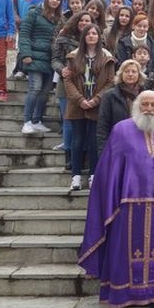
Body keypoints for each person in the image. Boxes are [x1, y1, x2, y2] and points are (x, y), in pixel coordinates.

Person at [78, 90, 154, 308]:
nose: (149, 109)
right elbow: (110, 167)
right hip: (126, 203)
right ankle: (121, 294)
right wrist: (112, 199)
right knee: (123, 250)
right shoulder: (121, 130)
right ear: (136, 106)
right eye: (145, 104)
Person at [64, 23, 116, 191]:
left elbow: (110, 81)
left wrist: (96, 99)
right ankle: (76, 176)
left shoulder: (107, 57)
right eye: (89, 33)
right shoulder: (74, 56)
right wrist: (80, 99)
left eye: (95, 33)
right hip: (77, 104)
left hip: (97, 105)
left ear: (99, 36)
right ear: (84, 36)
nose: (92, 36)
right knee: (77, 140)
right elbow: (68, 80)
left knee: (94, 141)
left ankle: (94, 175)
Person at [52, 11, 94, 168]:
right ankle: (69, 155)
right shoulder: (63, 38)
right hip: (67, 83)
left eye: (88, 20)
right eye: (82, 20)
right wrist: (61, 69)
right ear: (76, 21)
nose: (84, 23)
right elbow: (55, 60)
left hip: (88, 85)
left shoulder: (96, 38)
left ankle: (83, 155)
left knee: (85, 121)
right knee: (69, 121)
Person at [19, 0, 61, 134]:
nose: (54, 1)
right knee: (35, 88)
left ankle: (37, 120)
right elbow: (24, 34)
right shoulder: (34, 13)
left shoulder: (58, 18)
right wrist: (25, 54)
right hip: (34, 57)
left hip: (50, 59)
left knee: (44, 92)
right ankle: (27, 121)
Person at [96, 59, 146, 155]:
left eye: (134, 71)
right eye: (126, 71)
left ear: (139, 75)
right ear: (121, 74)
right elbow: (103, 126)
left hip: (140, 145)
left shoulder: (145, 95)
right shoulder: (109, 96)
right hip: (117, 145)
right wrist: (103, 152)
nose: (130, 74)